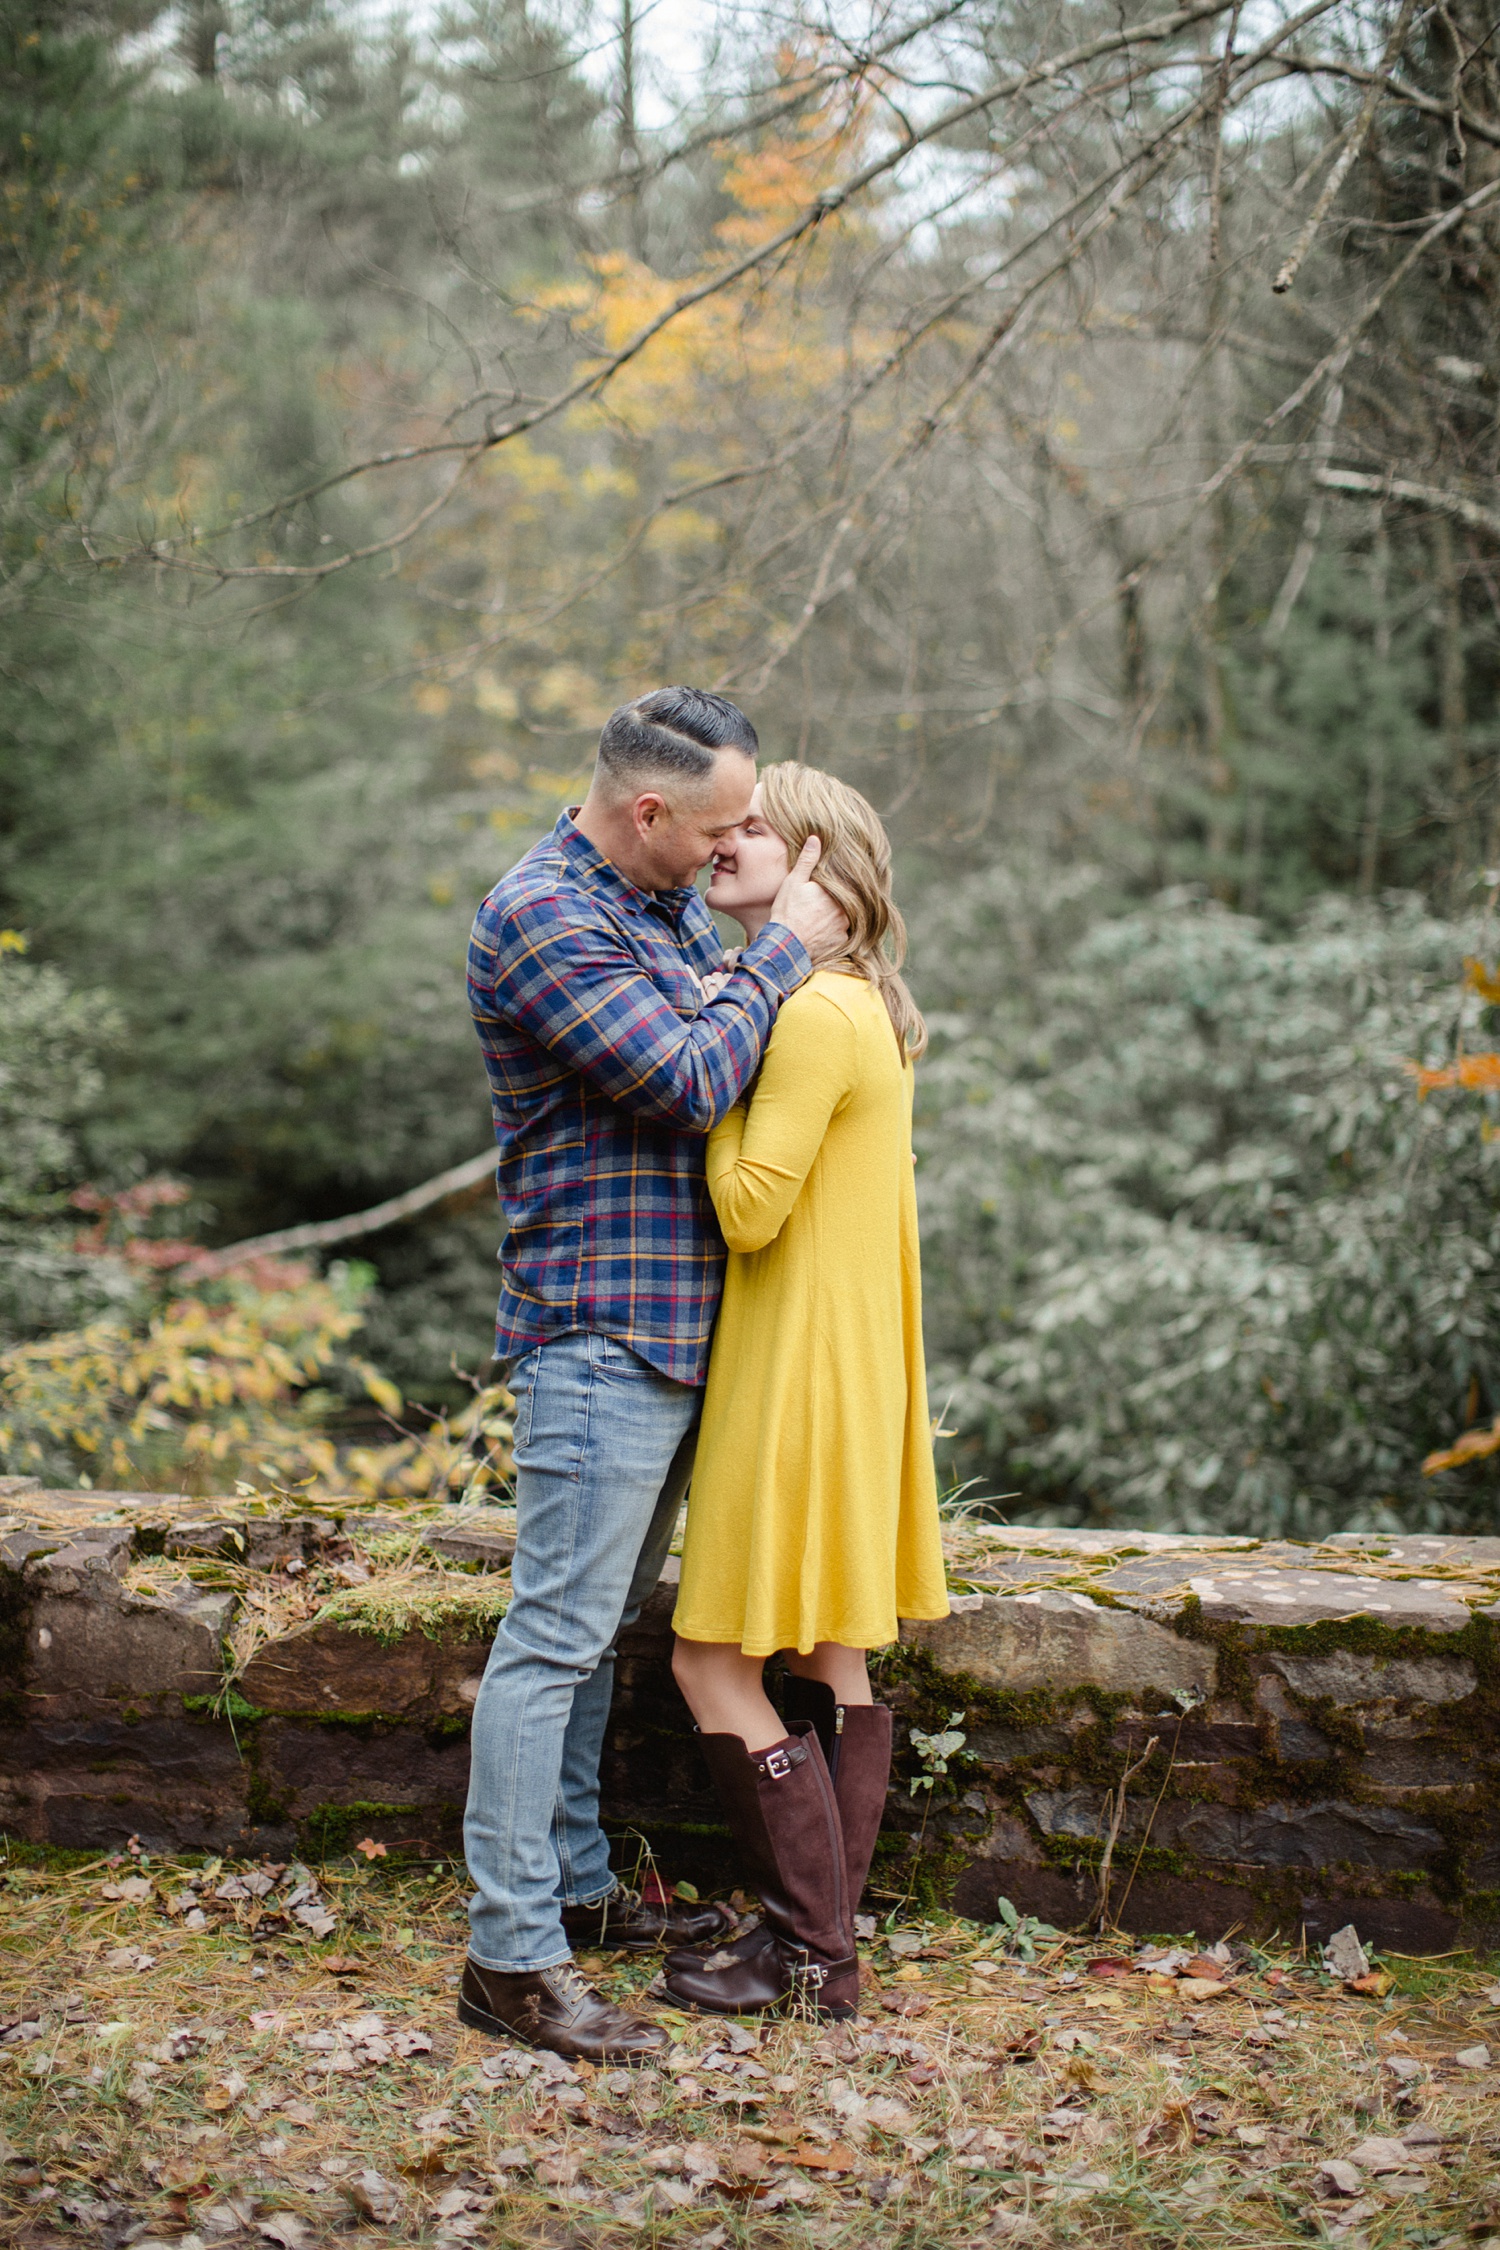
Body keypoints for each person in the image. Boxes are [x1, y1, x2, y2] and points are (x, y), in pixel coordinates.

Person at [459, 687, 848, 2065]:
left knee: (606, 1625)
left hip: (687, 1332)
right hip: (599, 1332)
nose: (742, 838)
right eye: (725, 822)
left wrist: (751, 943)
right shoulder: (543, 917)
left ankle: (571, 1886)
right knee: (551, 1636)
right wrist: (786, 951)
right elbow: (689, 1077)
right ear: (647, 812)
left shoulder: (671, 908)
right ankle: (509, 1956)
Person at [663, 763, 950, 2022]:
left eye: (757, 825)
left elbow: (746, 1206)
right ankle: (819, 1954)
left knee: (707, 1662)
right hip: (853, 1369)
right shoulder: (864, 1006)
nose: (731, 840)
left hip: (790, 1375)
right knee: (833, 1653)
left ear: (821, 862)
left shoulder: (812, 1015)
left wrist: (705, 1093)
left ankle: (811, 1954)